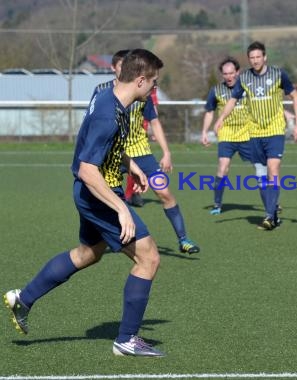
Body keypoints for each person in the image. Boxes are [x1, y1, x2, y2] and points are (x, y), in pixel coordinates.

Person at [4, 49, 166, 356]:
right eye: (154, 83)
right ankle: (127, 339)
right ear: (141, 80)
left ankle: (23, 298)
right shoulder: (110, 114)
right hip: (98, 194)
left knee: (88, 253)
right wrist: (122, 210)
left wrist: (130, 166)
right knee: (149, 258)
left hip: (94, 191)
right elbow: (87, 169)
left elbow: (103, 147)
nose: (155, 89)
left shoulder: (109, 98)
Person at [93, 49, 200, 255]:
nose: (126, 69)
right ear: (114, 68)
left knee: (165, 193)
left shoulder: (143, 93)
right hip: (112, 154)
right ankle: (102, 238)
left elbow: (155, 122)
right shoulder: (102, 90)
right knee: (103, 196)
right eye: (122, 66)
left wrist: (166, 152)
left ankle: (183, 239)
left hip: (141, 153)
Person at [213, 41, 297, 230]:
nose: (255, 61)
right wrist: (221, 118)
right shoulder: (244, 77)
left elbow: (294, 96)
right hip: (253, 132)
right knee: (261, 174)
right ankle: (272, 213)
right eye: (252, 58)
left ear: (265, 57)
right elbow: (233, 99)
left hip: (275, 130)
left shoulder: (278, 74)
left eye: (258, 57)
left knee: (273, 169)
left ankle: (270, 215)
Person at [201, 56, 266, 215]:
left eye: (231, 73)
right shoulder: (216, 90)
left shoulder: (248, 87)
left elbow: (262, 104)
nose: (229, 77)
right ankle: (217, 204)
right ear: (222, 74)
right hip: (227, 135)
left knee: (261, 168)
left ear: (238, 72)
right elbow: (210, 112)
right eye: (225, 74)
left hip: (248, 134)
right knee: (223, 168)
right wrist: (204, 131)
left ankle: (272, 203)